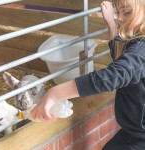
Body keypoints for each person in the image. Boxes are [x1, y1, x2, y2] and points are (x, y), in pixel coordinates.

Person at [31, 0, 145, 149]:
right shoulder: (137, 43)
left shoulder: (141, 49)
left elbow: (114, 75)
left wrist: (55, 93)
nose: (120, 18)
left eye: (127, 12)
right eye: (119, 12)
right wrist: (111, 23)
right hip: (134, 132)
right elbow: (121, 59)